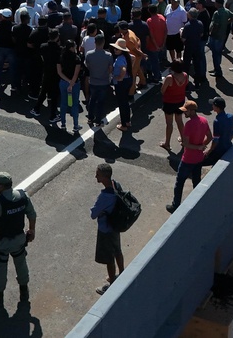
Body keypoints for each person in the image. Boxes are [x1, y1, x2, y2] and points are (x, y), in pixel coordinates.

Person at [0, 172, 37, 306]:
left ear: (1, 186)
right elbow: (32, 214)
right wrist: (32, 229)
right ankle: (24, 291)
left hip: (1, 242)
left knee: (0, 268)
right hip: (19, 239)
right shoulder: (23, 196)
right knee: (21, 263)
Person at [166, 101, 210, 213]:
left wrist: (197, 147)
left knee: (179, 182)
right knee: (196, 181)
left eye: (186, 111)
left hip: (188, 158)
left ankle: (175, 205)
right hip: (199, 158)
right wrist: (202, 145)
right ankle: (199, 201)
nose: (184, 113)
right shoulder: (204, 121)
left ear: (192, 111)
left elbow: (185, 144)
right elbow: (210, 136)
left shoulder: (189, 125)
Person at [90, 163, 125, 295]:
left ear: (104, 177)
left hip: (106, 229)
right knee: (117, 250)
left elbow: (94, 214)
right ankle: (122, 273)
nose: (95, 176)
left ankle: (112, 283)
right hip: (116, 226)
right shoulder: (116, 185)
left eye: (98, 174)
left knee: (109, 258)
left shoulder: (104, 196)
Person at [84, 35, 114, 128]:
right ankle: (98, 121)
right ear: (104, 42)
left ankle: (90, 118)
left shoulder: (89, 54)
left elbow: (88, 66)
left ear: (95, 42)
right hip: (104, 82)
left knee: (92, 100)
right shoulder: (108, 55)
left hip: (93, 81)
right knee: (101, 102)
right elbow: (110, 69)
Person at [159, 60, 189, 151]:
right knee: (179, 120)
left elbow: (162, 91)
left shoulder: (169, 78)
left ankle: (167, 143)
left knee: (169, 123)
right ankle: (183, 140)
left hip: (169, 103)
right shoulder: (185, 75)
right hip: (180, 101)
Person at [109, 39, 133, 132]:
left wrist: (120, 77)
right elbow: (134, 58)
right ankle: (127, 121)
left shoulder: (119, 59)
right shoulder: (127, 56)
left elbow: (123, 69)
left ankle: (124, 124)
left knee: (122, 104)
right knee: (125, 102)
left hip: (121, 83)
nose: (115, 50)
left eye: (117, 49)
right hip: (128, 80)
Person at [203, 97, 233, 165]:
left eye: (213, 105)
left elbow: (215, 140)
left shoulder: (217, 121)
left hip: (218, 151)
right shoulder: (231, 117)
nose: (212, 106)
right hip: (228, 146)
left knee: (200, 162)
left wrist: (209, 151)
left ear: (217, 108)